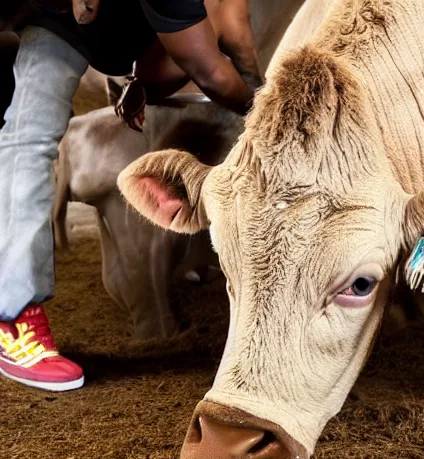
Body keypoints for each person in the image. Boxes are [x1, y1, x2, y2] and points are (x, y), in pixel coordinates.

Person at [0, 0, 261, 392]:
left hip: (62, 27)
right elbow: (211, 73)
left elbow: (192, 56)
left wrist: (142, 84)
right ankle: (13, 317)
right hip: (45, 17)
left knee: (29, 133)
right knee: (28, 137)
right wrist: (265, 112)